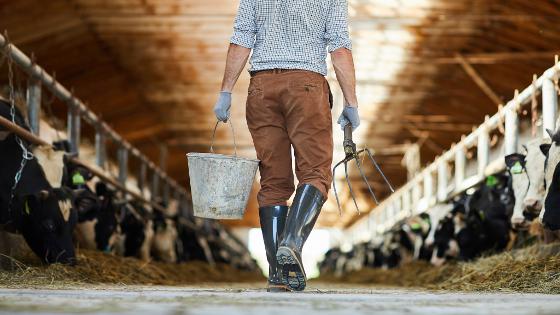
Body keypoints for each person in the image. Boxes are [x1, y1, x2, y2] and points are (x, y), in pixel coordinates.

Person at [214, 0, 359, 292]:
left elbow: (240, 39)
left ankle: (278, 275)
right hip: (306, 86)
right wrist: (351, 102)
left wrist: (226, 91)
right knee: (315, 173)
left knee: (273, 181)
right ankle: (291, 243)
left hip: (261, 88)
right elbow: (339, 48)